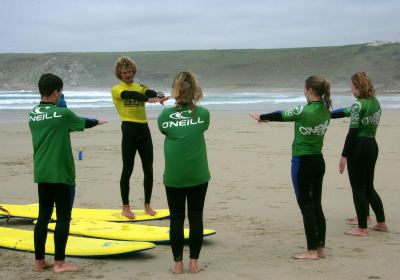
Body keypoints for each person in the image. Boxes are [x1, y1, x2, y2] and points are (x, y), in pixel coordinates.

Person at [29, 73, 106, 273]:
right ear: (55, 92)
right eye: (60, 92)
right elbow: (83, 122)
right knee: (63, 217)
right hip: (61, 172)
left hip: (42, 172)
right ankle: (59, 263)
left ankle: (39, 262)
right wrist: (98, 121)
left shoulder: (33, 114)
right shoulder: (63, 115)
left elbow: (56, 127)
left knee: (44, 216)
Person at [249, 75, 331, 260]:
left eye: (305, 89)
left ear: (310, 91)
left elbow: (282, 114)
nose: (304, 92)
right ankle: (320, 248)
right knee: (316, 204)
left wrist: (262, 117)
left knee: (306, 207)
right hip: (319, 161)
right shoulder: (326, 109)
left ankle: (311, 251)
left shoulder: (305, 111)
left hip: (302, 162)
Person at [158, 71, 210, 273]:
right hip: (198, 174)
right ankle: (194, 263)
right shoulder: (203, 114)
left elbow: (165, 130)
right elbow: (201, 128)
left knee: (177, 219)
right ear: (195, 90)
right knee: (196, 217)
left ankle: (178, 264)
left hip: (174, 176)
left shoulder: (165, 116)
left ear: (175, 91)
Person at [331, 72, 388, 236]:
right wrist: (327, 114)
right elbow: (346, 111)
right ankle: (381, 222)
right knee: (368, 186)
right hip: (372, 146)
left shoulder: (359, 105)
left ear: (357, 87)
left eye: (352, 86)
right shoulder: (375, 102)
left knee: (358, 188)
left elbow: (353, 132)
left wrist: (344, 156)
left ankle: (362, 227)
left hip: (359, 148)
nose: (351, 90)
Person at [111, 56, 168, 219]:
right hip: (129, 129)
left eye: (130, 71)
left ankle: (147, 205)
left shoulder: (141, 86)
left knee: (148, 169)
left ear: (133, 71)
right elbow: (132, 95)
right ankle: (126, 207)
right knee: (127, 169)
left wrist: (159, 95)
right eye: (124, 72)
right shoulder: (116, 89)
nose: (128, 74)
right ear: (119, 74)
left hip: (144, 129)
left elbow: (150, 92)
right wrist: (148, 99)